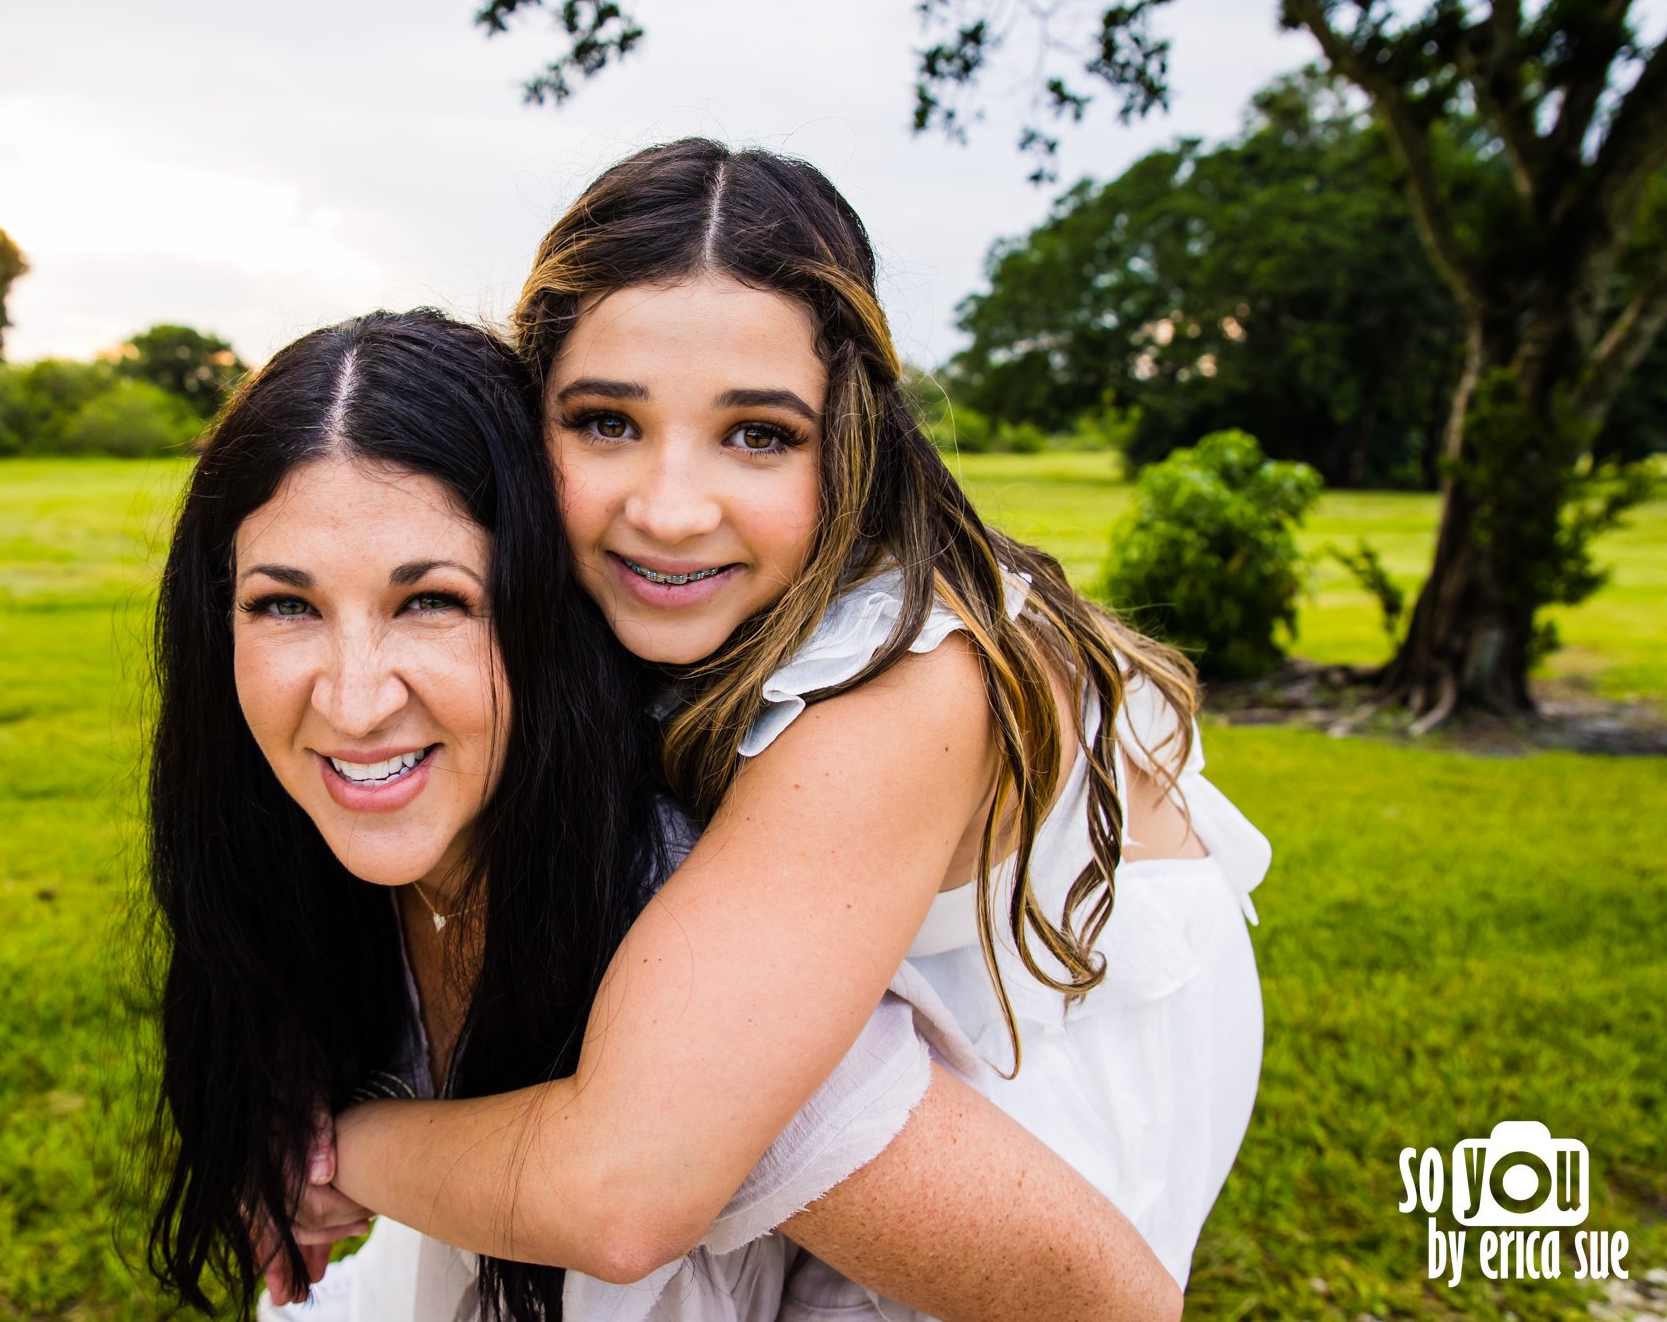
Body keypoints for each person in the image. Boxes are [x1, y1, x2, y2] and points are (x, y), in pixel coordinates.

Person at [318, 141, 1271, 1310]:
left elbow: (624, 1185)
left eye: (758, 434)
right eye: (605, 423)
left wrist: (336, 1151)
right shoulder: (630, 605)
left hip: (1045, 1077)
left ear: (850, 437)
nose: (669, 510)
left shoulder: (910, 681)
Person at [143, 308, 1181, 1322]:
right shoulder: (311, 861)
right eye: (284, 605)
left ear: (545, 615)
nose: (354, 701)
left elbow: (1108, 1304)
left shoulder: (684, 951)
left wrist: (339, 1154)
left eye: (434, 602)